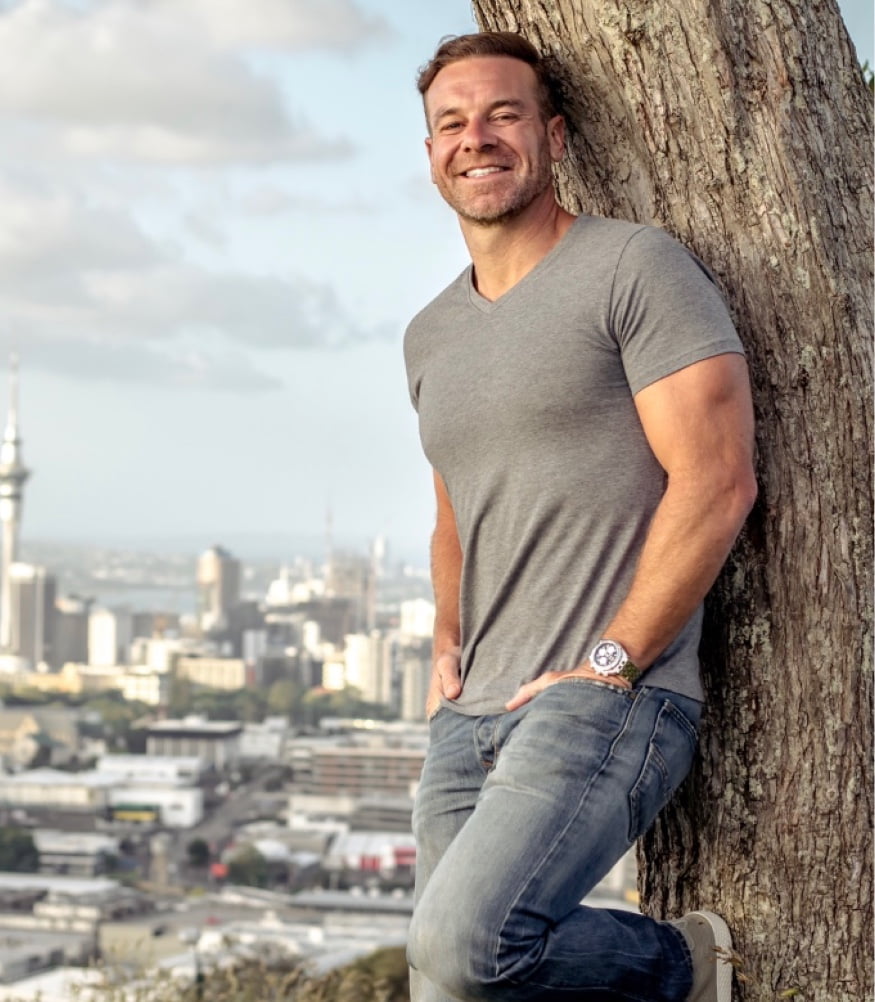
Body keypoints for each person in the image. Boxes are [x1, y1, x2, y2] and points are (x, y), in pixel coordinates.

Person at [403, 31, 757, 1002]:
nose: (476, 137)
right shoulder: (429, 333)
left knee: (465, 952)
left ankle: (676, 963)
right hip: (467, 714)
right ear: (431, 152)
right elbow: (453, 502)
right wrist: (446, 637)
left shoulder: (633, 268)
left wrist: (613, 664)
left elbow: (716, 478)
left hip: (605, 696)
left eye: (502, 114)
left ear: (553, 137)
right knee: (443, 983)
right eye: (451, 122)